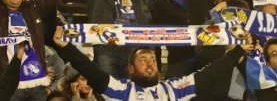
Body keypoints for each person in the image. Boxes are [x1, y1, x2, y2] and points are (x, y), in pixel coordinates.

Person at [53, 26, 252, 100]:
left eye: (153, 60)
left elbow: (208, 75)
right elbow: (91, 71)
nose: (150, 64)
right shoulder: (121, 90)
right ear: (131, 69)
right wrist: (65, 47)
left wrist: (238, 52)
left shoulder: (174, 88)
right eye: (143, 60)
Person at [84, 0, 147, 78]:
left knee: (130, 90)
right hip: (106, 46)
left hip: (131, 45)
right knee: (108, 89)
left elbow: (142, 16)